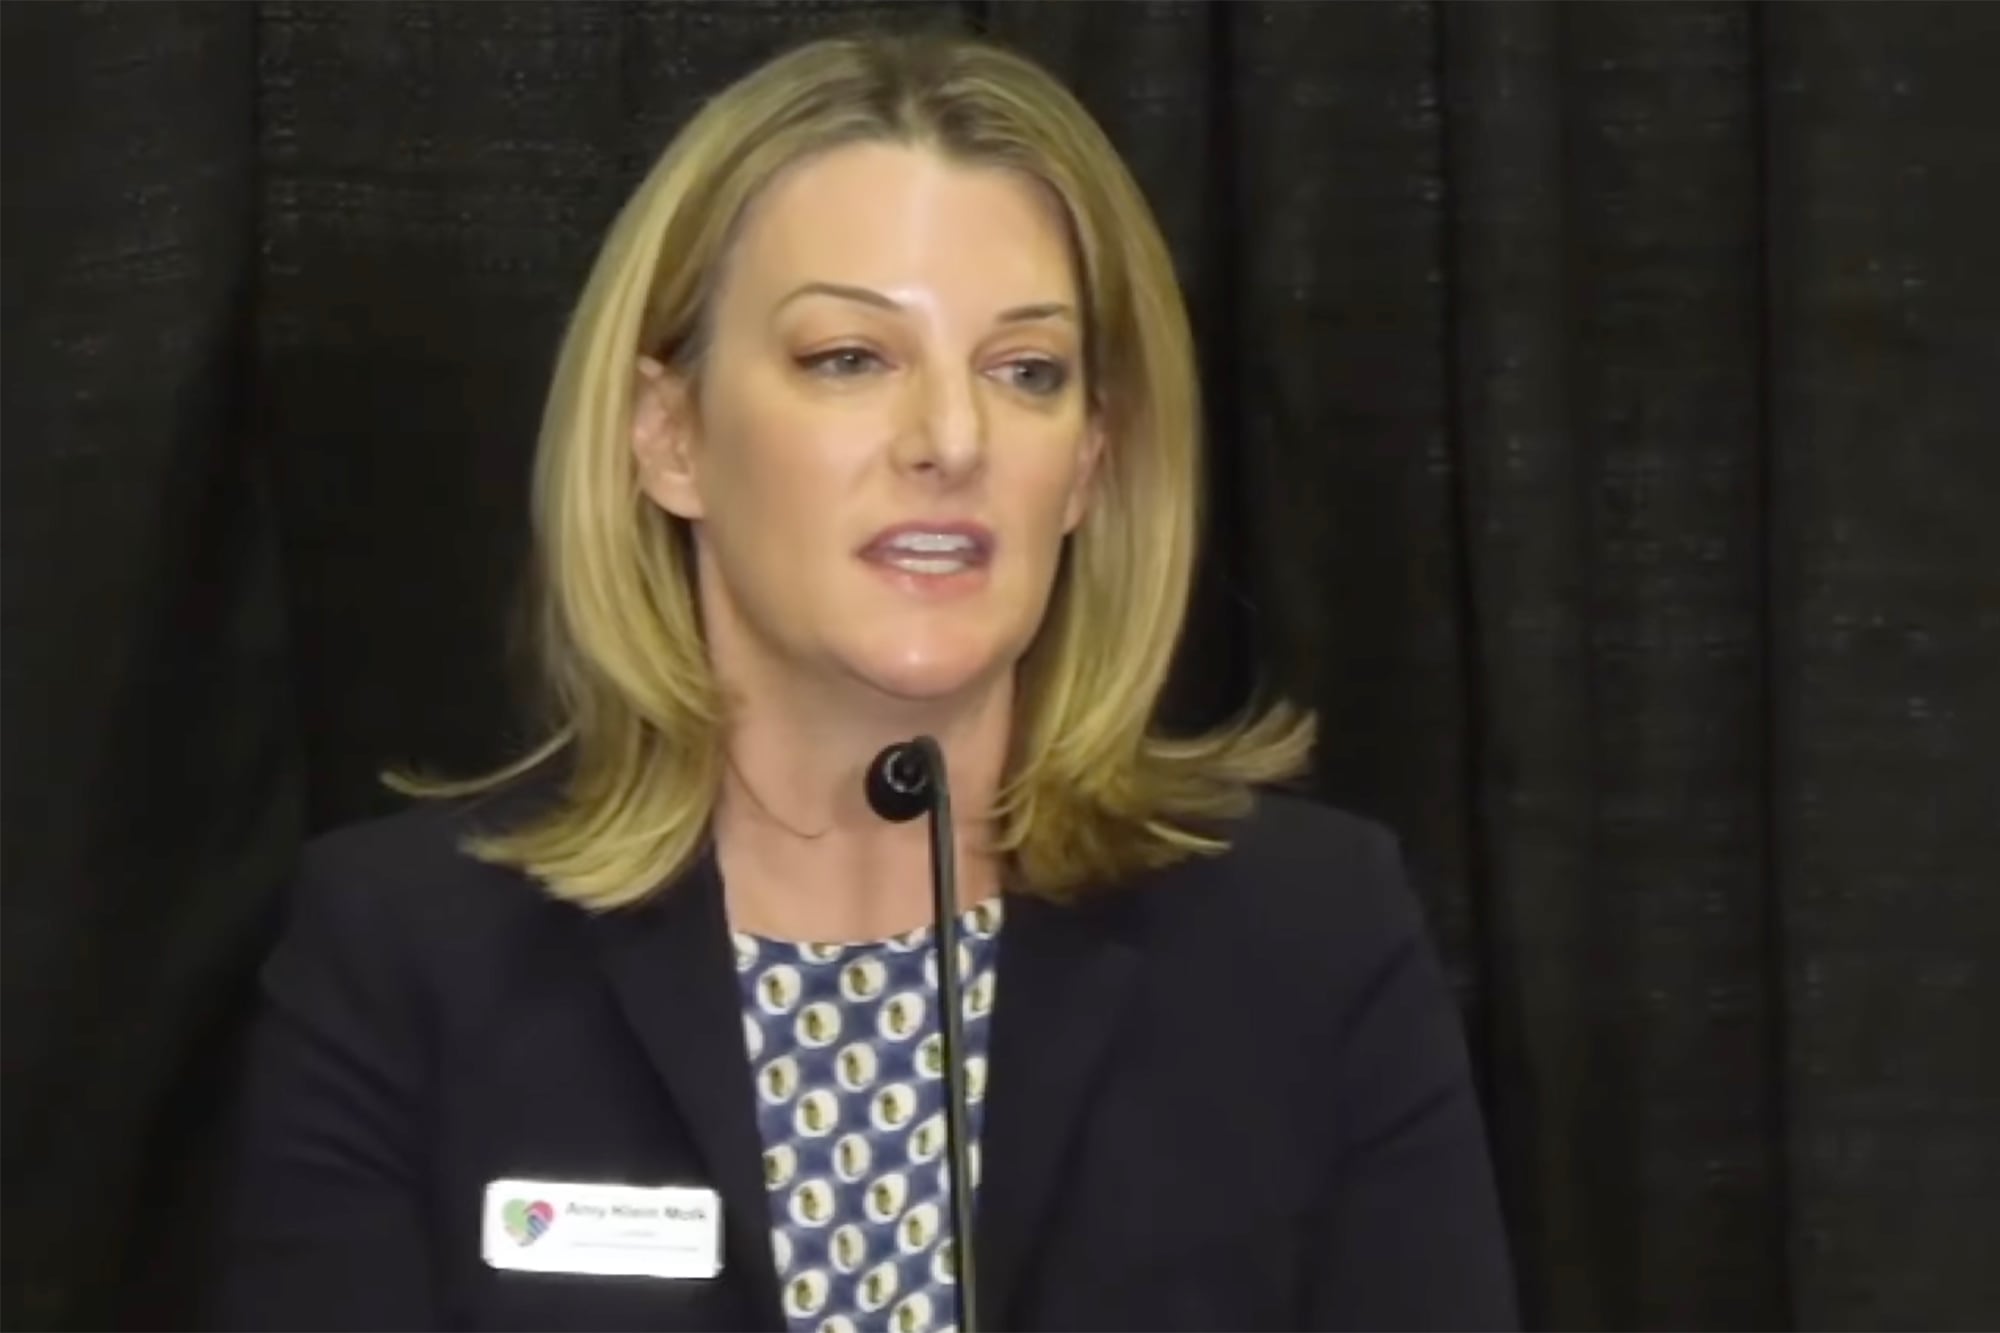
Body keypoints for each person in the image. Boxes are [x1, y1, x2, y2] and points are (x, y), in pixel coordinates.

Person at [212, 26, 1517, 1333]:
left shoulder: (1311, 941)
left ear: (1089, 464)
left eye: (1026, 372)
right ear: (669, 438)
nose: (951, 439)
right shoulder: (403, 958)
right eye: (849, 357)